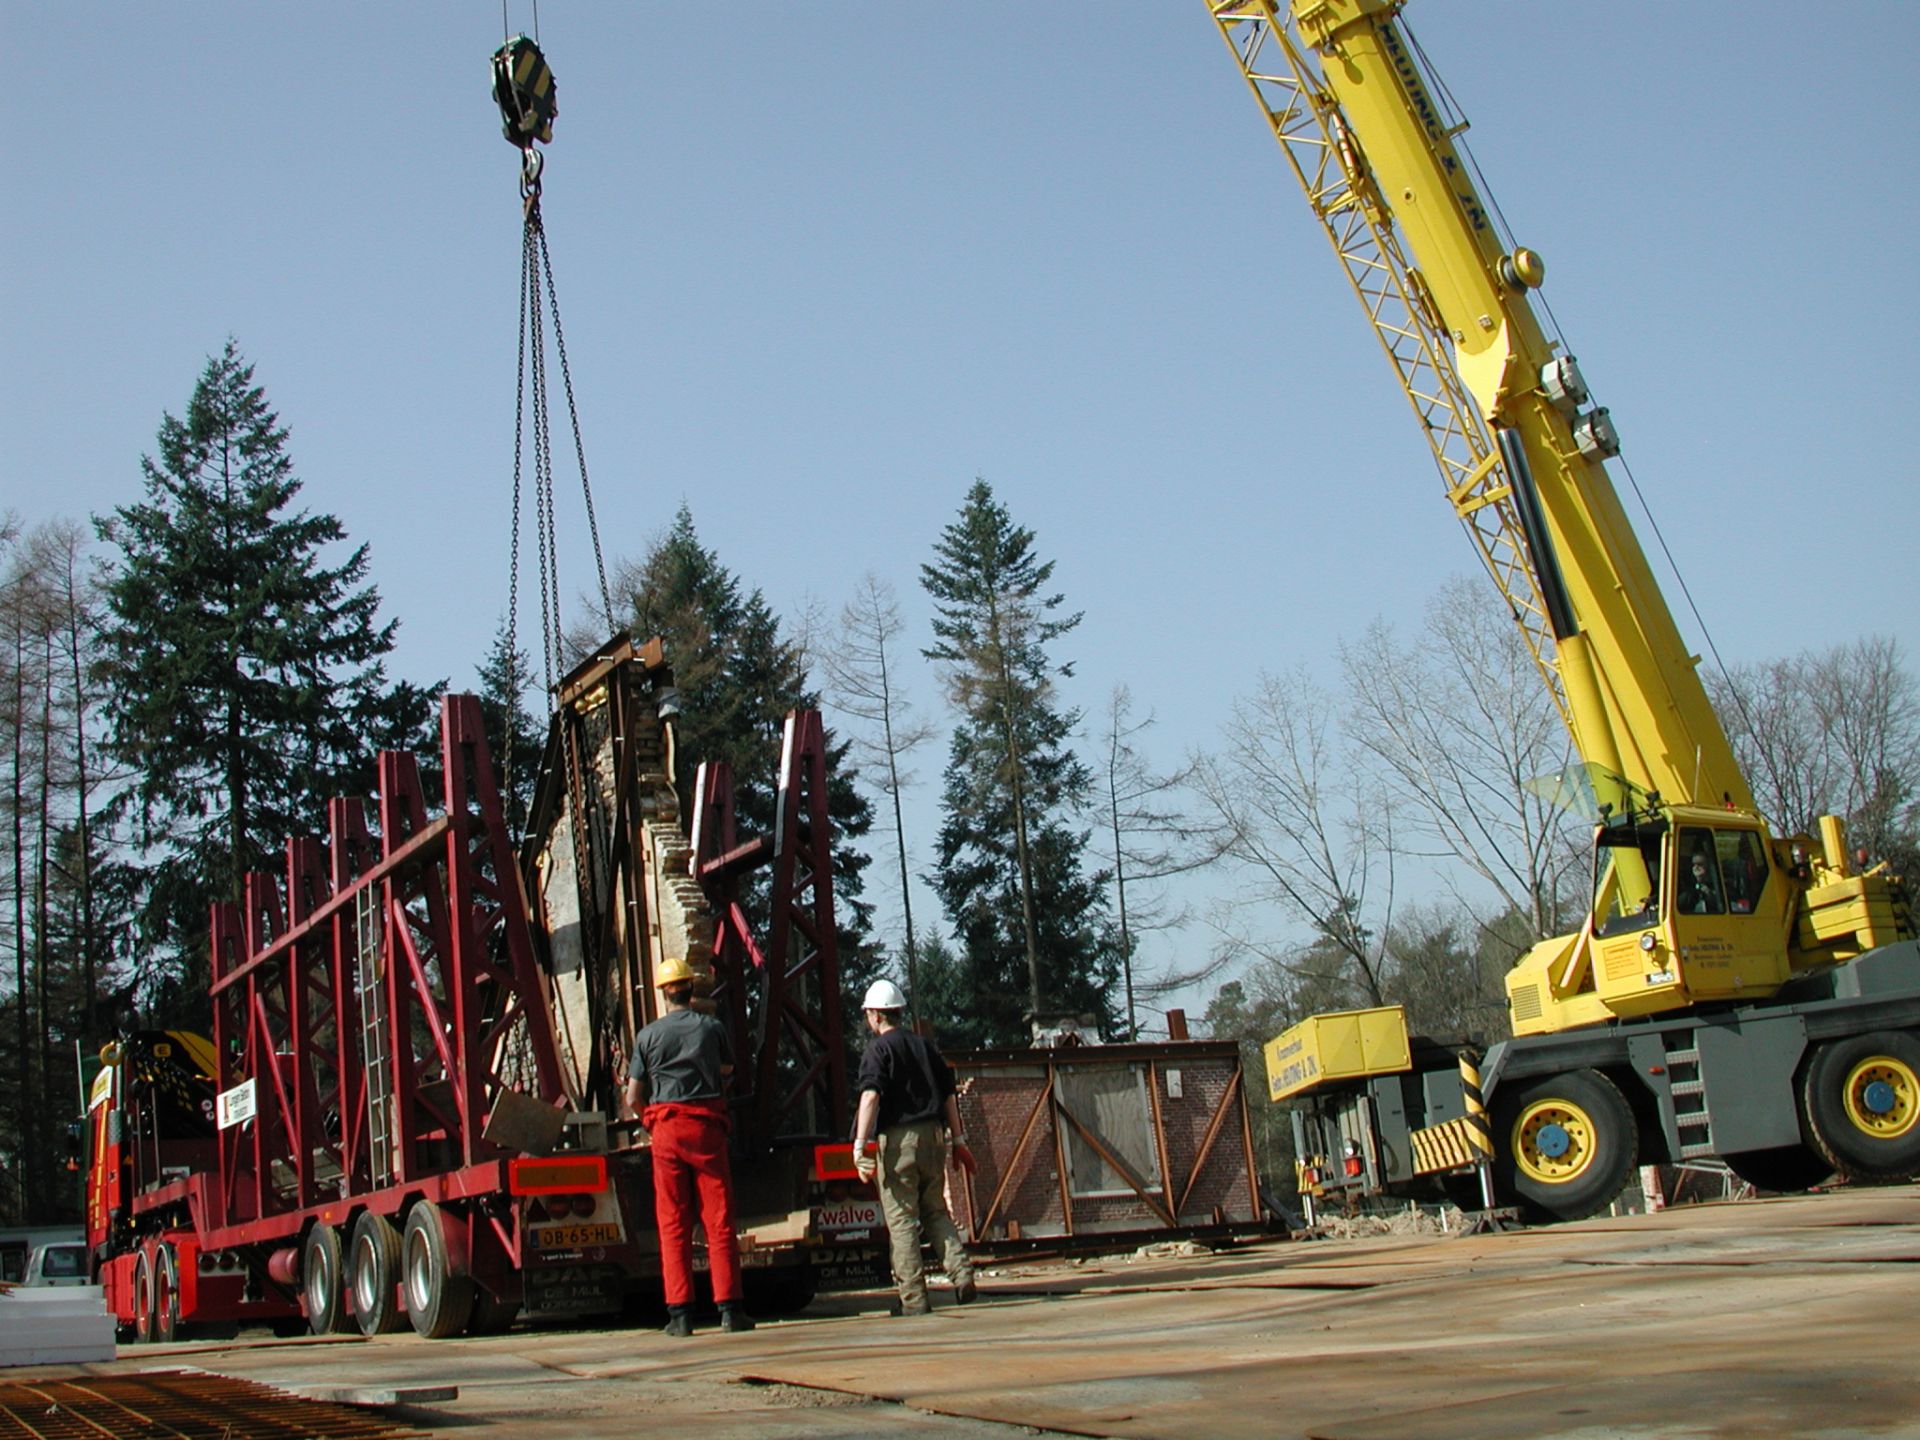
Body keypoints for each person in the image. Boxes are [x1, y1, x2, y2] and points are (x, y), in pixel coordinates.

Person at [624, 955, 754, 1337]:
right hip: (707, 1127)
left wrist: (649, 1119)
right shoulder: (711, 1029)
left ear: (664, 992)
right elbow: (727, 1071)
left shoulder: (648, 1036)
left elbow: (633, 1096)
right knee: (718, 1219)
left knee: (673, 1222)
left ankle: (679, 1315)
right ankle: (730, 1310)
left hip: (665, 1129)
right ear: (691, 989)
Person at [850, 980, 978, 1316]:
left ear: (876, 1015)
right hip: (934, 1138)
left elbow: (870, 1097)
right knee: (935, 1210)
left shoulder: (878, 1051)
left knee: (902, 1220)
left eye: (867, 1014)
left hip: (898, 1142)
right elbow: (949, 1096)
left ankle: (914, 1300)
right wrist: (959, 1141)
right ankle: (962, 1275)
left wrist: (859, 1145)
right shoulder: (926, 1047)